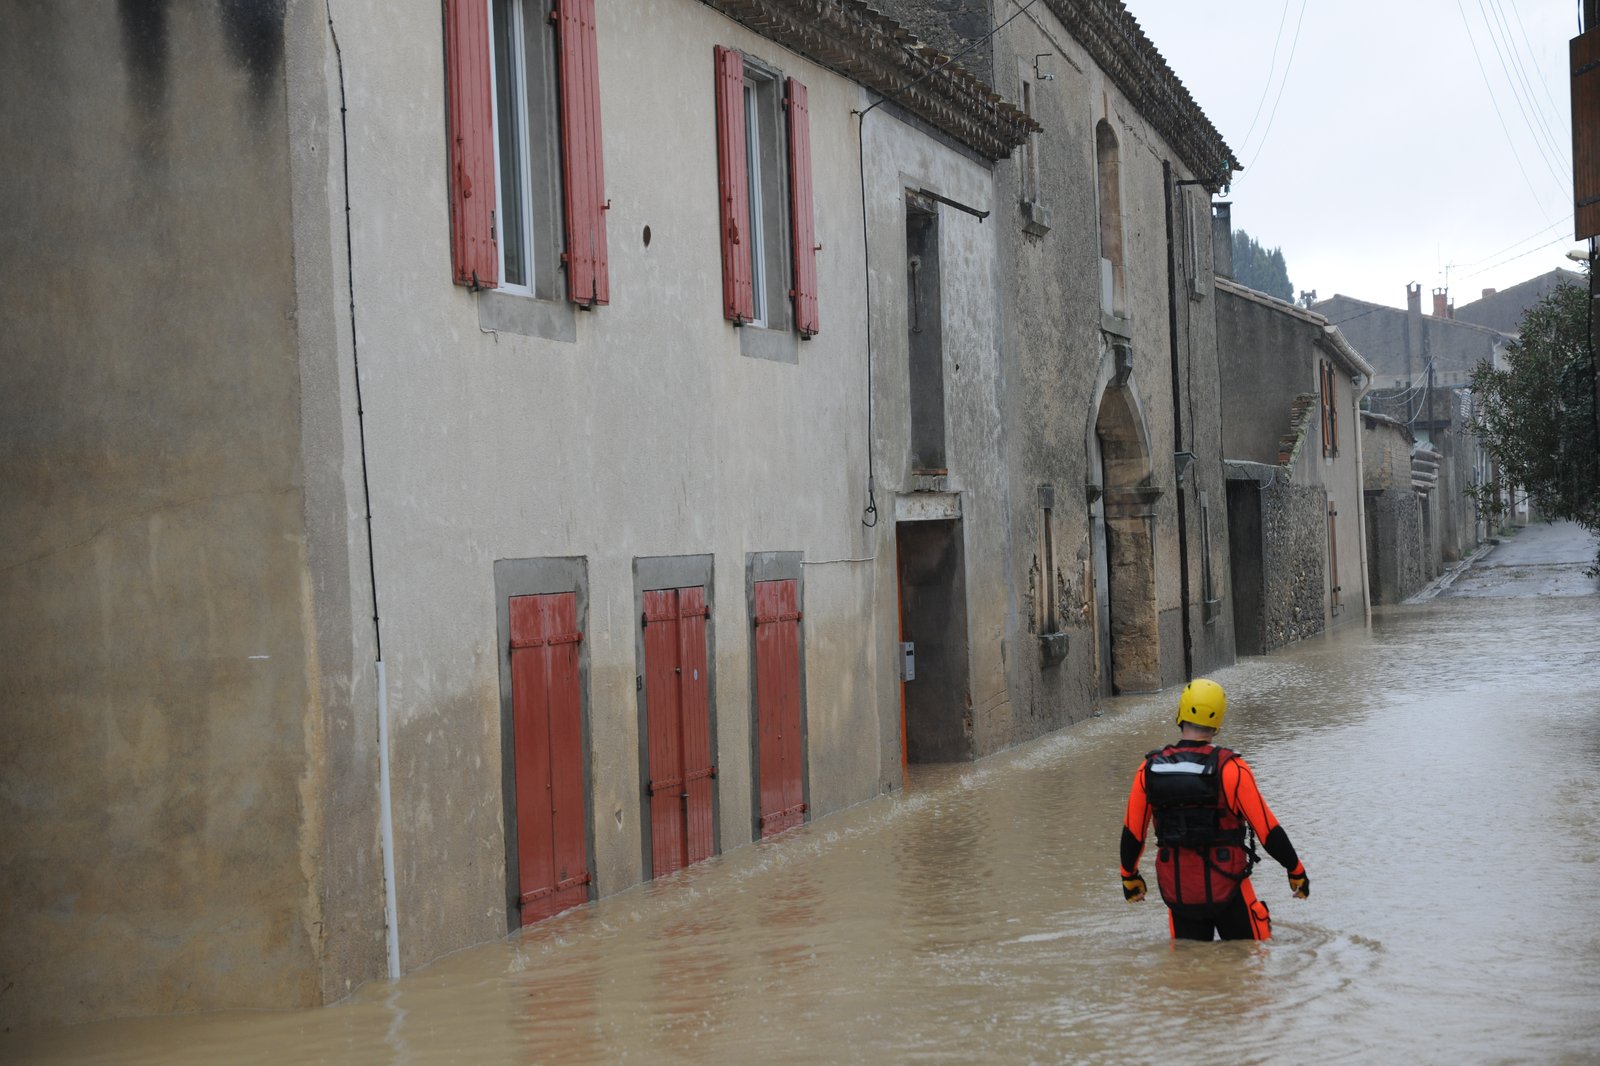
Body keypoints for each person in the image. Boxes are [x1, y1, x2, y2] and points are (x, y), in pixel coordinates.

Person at [1117, 678, 1310, 941]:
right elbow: (1268, 830)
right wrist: (1295, 870)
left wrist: (1129, 877)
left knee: (1190, 962)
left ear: (1180, 714)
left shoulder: (1149, 770)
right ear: (1218, 721)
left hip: (1180, 890)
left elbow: (1133, 833)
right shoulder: (1232, 769)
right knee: (1250, 959)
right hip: (1229, 885)